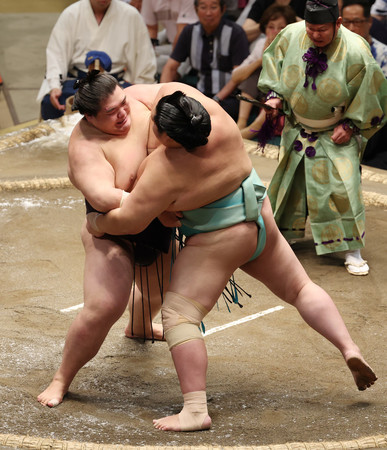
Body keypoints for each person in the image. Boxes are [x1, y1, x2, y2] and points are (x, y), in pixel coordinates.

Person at [87, 82, 377, 432]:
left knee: (179, 316)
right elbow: (160, 89)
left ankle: (195, 410)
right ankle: (348, 347)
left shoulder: (165, 167)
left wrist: (98, 222)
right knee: (300, 288)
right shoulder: (215, 116)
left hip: (218, 239)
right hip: (258, 216)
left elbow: (131, 218)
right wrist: (118, 96)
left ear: (168, 136)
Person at [37, 73, 174, 409]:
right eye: (112, 112)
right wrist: (168, 197)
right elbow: (103, 197)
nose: (124, 113)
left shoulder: (139, 98)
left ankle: (139, 325)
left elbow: (180, 95)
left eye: (123, 102)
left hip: (157, 221)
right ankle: (61, 379)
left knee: (160, 290)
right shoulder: (85, 146)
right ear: (91, 117)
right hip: (110, 230)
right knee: (103, 306)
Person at [258, 0, 387, 276]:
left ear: (337, 23)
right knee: (290, 185)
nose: (314, 35)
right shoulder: (292, 34)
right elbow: (273, 61)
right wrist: (274, 96)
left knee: (343, 188)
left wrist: (352, 125)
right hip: (297, 126)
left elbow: (373, 92)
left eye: (322, 29)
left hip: (336, 130)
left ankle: (352, 249)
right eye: (310, 28)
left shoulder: (356, 50)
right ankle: (284, 236)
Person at [37, 0, 156, 120]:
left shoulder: (131, 15)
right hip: (79, 82)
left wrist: (139, 87)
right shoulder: (71, 14)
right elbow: (56, 54)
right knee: (51, 103)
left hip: (115, 84)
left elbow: (144, 58)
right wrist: (54, 86)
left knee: (130, 109)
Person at [160, 0, 250, 121]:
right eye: (203, 7)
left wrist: (216, 99)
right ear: (196, 10)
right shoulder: (189, 32)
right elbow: (170, 67)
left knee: (208, 118)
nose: (208, 13)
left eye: (213, 7)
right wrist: (163, 96)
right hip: (201, 93)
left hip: (229, 98)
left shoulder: (236, 33)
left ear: (223, 10)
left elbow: (238, 76)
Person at [231, 4, 296, 137]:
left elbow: (286, 81)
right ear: (265, 29)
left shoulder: (295, 46)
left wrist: (272, 58)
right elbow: (235, 77)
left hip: (286, 100)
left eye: (282, 28)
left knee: (277, 84)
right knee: (252, 73)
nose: (276, 32)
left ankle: (255, 127)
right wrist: (261, 60)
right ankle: (241, 123)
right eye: (271, 27)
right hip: (261, 97)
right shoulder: (261, 44)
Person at [341, 0, 387, 170]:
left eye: (357, 21)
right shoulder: (331, 51)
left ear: (369, 22)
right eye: (346, 22)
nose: (351, 28)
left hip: (375, 128)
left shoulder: (384, 55)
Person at [141, 0, 198, 77]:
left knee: (171, 66)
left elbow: (181, 35)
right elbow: (151, 28)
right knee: (140, 57)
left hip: (190, 47)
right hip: (171, 44)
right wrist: (149, 55)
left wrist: (172, 65)